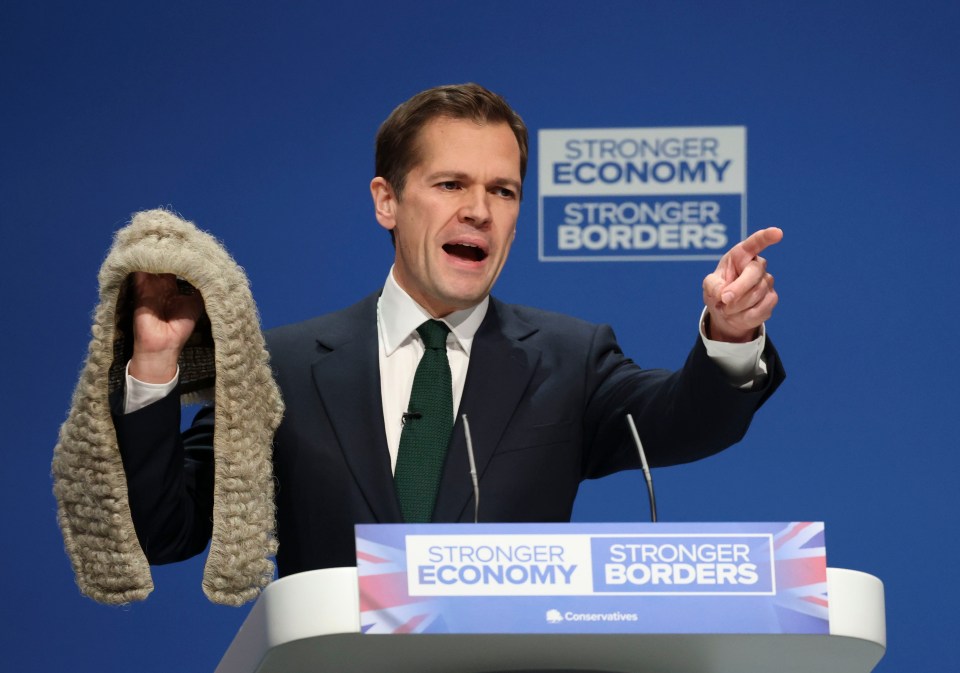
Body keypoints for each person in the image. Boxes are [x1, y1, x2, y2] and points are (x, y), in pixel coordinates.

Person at [115, 83, 784, 577]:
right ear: (387, 201)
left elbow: (687, 421)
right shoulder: (280, 367)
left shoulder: (567, 359)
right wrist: (153, 367)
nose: (479, 211)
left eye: (504, 190)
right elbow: (165, 529)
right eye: (451, 184)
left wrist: (728, 335)